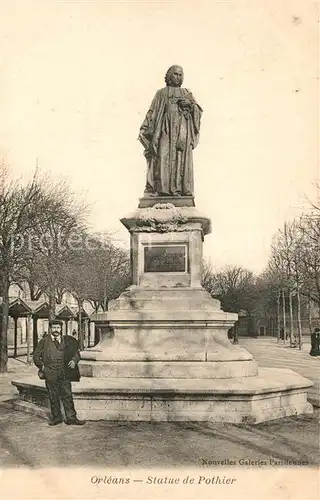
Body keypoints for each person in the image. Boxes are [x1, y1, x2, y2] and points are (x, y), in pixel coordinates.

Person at [138, 65, 202, 197]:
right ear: (168, 76)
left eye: (180, 75)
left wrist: (190, 106)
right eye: (175, 74)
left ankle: (178, 189)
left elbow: (198, 111)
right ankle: (162, 189)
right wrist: (146, 127)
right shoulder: (161, 93)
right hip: (164, 129)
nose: (177, 77)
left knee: (180, 159)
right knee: (162, 155)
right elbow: (153, 111)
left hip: (181, 131)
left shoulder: (186, 93)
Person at [33, 320, 85, 426]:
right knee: (53, 396)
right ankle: (56, 418)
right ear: (50, 329)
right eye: (54, 328)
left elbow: (77, 353)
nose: (56, 330)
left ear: (61, 329)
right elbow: (36, 356)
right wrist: (43, 367)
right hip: (50, 373)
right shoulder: (43, 342)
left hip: (64, 372)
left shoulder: (68, 341)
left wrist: (74, 361)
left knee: (67, 395)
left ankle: (71, 418)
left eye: (58, 328)